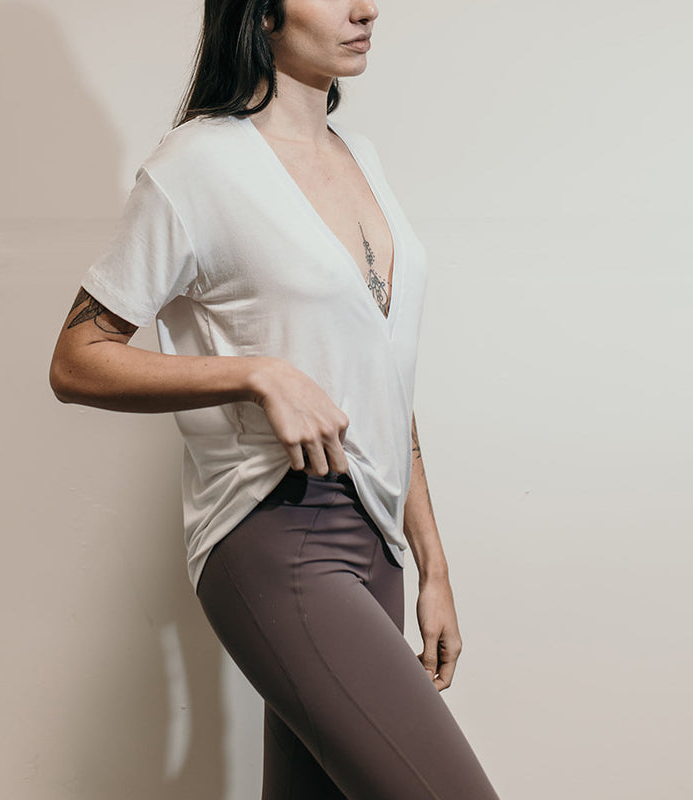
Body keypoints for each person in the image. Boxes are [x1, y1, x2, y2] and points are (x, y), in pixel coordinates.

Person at [50, 1, 501, 797]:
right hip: (278, 532)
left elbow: (382, 374)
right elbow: (76, 360)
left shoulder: (361, 157)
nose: (365, 8)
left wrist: (433, 564)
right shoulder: (198, 166)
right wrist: (259, 373)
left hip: (377, 547)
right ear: (261, 13)